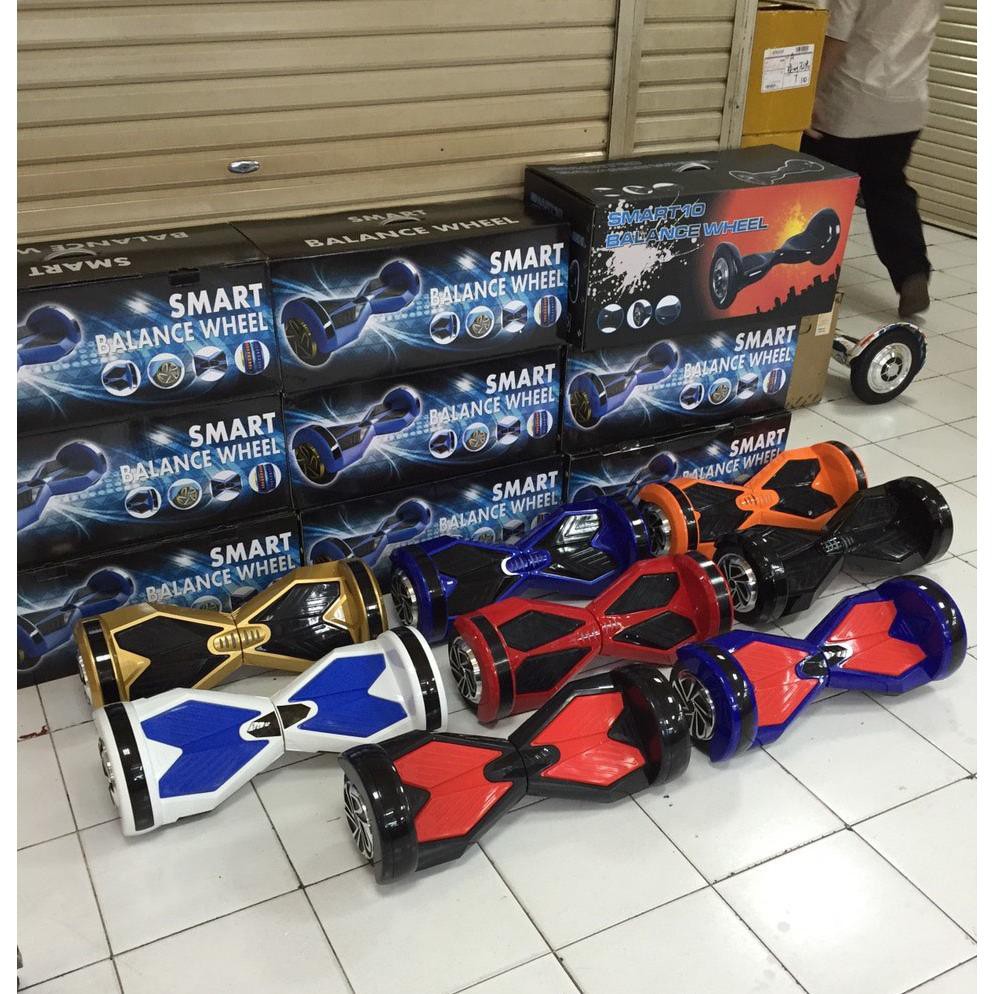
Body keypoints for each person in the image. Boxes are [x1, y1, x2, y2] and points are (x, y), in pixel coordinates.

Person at [801, 0, 944, 317]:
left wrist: (808, 94)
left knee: (821, 196)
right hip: (906, 104)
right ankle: (911, 272)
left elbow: (836, 36)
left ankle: (802, 281)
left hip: (848, 103)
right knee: (888, 187)